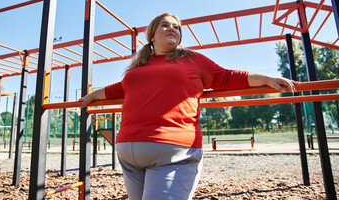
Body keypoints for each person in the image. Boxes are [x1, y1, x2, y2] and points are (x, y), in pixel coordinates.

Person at [79, 12, 297, 200]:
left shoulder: (191, 59)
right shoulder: (139, 66)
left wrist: (266, 79)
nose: (172, 29)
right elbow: (117, 89)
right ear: (152, 35)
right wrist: (91, 96)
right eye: (165, 25)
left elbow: (228, 77)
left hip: (172, 150)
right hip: (128, 153)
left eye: (177, 27)